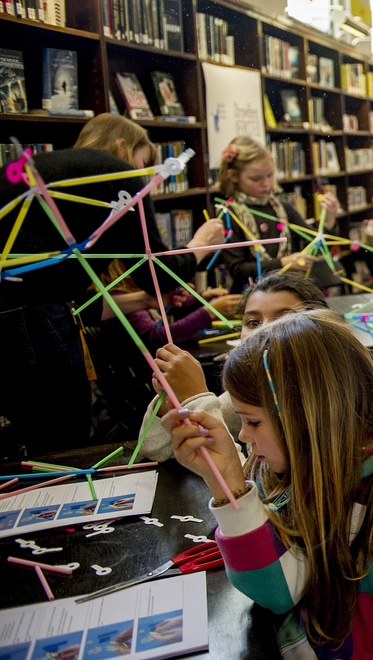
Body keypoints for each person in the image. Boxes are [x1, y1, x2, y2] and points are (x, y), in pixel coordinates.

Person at [163, 309, 373, 660]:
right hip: (299, 653)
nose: (243, 436)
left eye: (252, 422)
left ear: (308, 417)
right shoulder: (311, 468)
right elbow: (281, 589)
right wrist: (225, 481)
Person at [0, 147, 225, 455]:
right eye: (146, 162)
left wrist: (141, 299)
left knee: (41, 436)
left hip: (20, 309)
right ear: (124, 147)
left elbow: (79, 307)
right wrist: (199, 245)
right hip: (28, 314)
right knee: (61, 442)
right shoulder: (119, 177)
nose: (150, 177)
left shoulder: (59, 173)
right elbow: (158, 275)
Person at [137, 272, 330, 461]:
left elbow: (251, 483)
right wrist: (170, 400)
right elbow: (154, 449)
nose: (262, 331)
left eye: (283, 320)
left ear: (320, 330)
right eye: (253, 322)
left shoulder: (322, 396)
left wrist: (196, 397)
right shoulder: (253, 388)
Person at [217, 136, 340, 290]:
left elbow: (318, 245)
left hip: (288, 291)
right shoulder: (228, 214)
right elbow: (238, 270)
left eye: (270, 175)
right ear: (234, 176)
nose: (266, 184)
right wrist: (284, 263)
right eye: (256, 178)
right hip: (250, 297)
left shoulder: (283, 207)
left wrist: (329, 218)